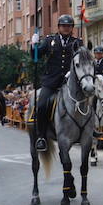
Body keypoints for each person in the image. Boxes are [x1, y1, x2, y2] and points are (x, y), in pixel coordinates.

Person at [30, 14, 82, 151]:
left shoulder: (77, 42)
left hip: (70, 82)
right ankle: (41, 137)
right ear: (59, 27)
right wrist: (34, 45)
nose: (66, 28)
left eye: (69, 26)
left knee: (89, 99)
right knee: (41, 105)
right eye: (63, 26)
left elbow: (82, 61)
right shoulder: (49, 41)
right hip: (51, 82)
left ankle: (89, 129)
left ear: (72, 28)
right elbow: (36, 56)